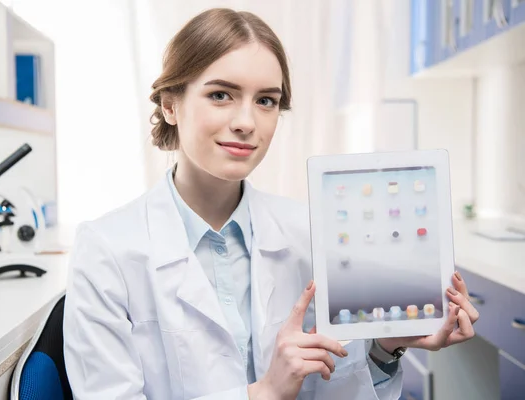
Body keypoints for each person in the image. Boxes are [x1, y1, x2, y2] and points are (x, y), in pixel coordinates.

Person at [63, 8, 478, 400]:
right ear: (171, 104)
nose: (247, 122)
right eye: (221, 95)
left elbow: (328, 383)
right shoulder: (107, 249)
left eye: (266, 101)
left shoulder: (309, 233)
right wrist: (263, 393)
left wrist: (386, 347)